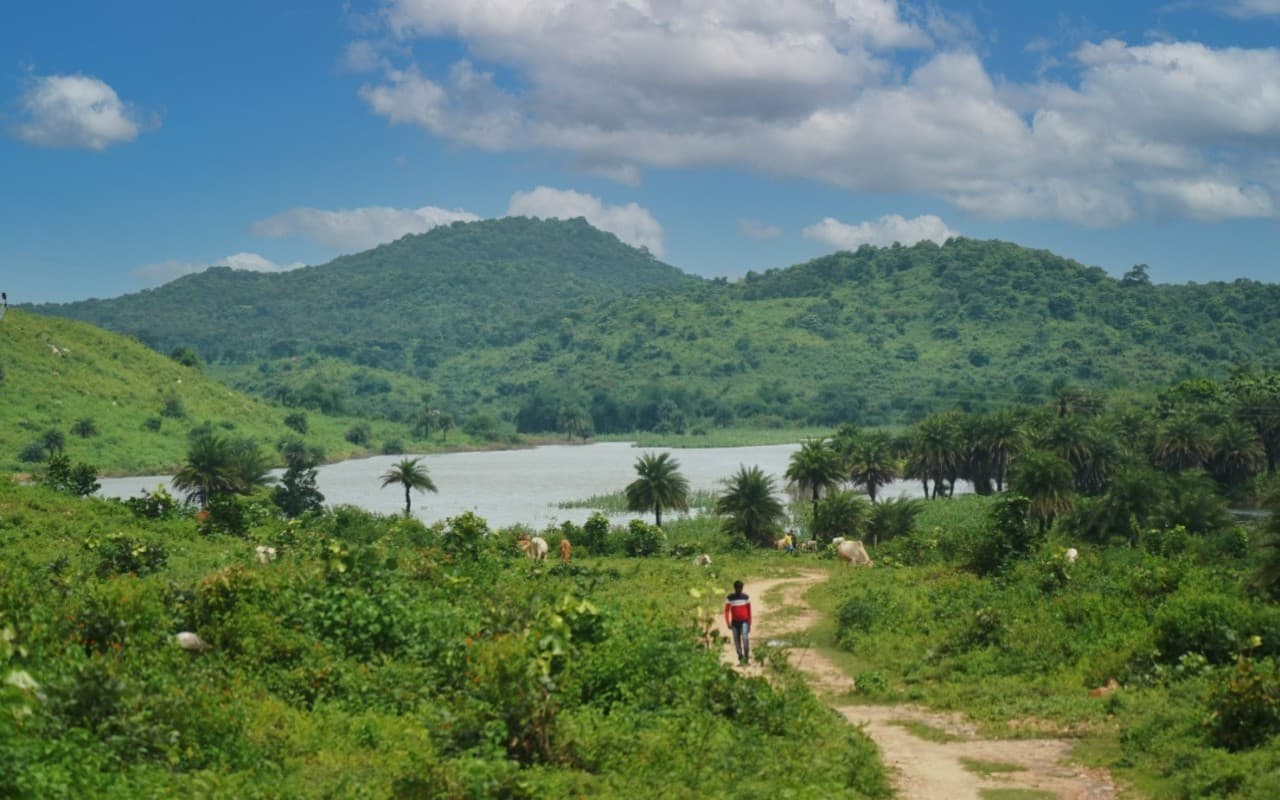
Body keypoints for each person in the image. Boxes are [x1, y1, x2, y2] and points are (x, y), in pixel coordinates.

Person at [724, 580, 752, 666]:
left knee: (745, 639)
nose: (739, 590)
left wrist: (749, 623)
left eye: (741, 588)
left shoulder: (746, 597)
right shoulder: (730, 598)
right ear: (735, 588)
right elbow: (726, 611)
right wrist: (727, 622)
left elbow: (749, 611)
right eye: (738, 588)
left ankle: (746, 658)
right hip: (734, 623)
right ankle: (741, 659)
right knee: (737, 641)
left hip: (744, 621)